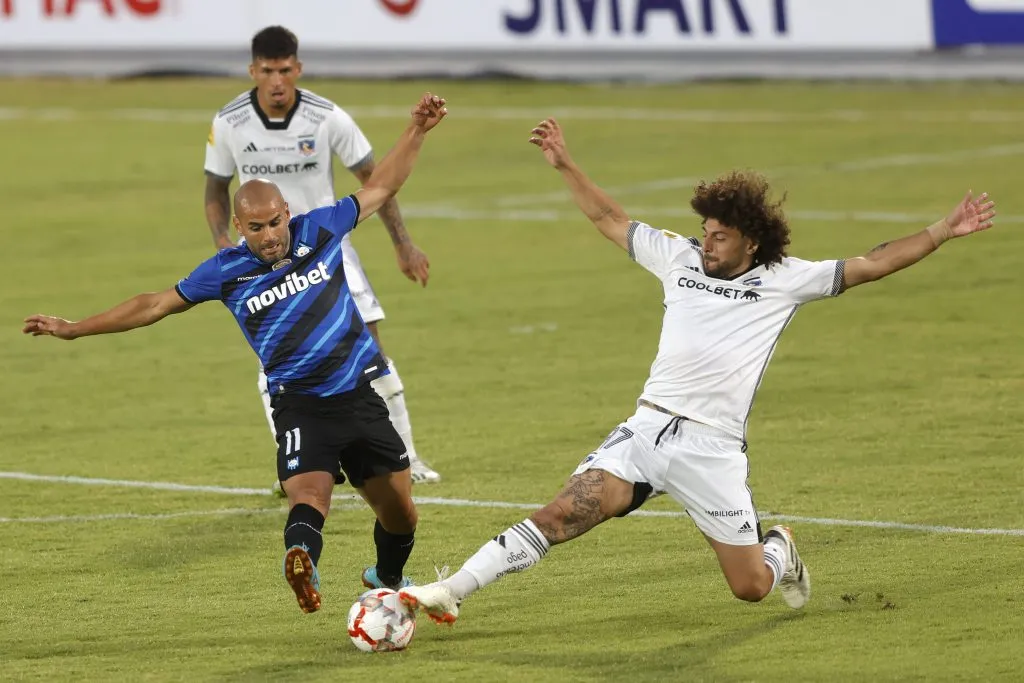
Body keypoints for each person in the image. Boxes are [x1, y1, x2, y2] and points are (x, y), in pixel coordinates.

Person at [398, 117, 997, 625]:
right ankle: (449, 591)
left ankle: (779, 548)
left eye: (719, 236)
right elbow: (608, 218)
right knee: (561, 513)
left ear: (752, 243)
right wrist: (563, 163)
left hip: (712, 450)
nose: (706, 243)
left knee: (750, 589)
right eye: (705, 233)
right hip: (646, 431)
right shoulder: (677, 258)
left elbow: (872, 263)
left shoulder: (785, 281)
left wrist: (944, 230)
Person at [25, 93, 449, 614]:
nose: (269, 236)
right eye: (256, 227)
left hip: (357, 396)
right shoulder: (225, 271)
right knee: (308, 498)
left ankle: (384, 575)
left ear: (285, 213)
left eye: (274, 223)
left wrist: (417, 130)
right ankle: (302, 558)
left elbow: (382, 185)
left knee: (402, 514)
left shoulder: (321, 228)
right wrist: (76, 328)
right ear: (238, 225)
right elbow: (154, 304)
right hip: (300, 404)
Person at [204, 25, 441, 486]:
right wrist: (221, 242)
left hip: (327, 251)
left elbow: (377, 181)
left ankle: (408, 458)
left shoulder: (327, 117)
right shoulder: (229, 122)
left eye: (285, 70)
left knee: (371, 352)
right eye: (268, 71)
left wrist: (403, 243)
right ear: (253, 71)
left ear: (299, 68)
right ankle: (296, 464)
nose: (277, 81)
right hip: (265, 261)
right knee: (276, 363)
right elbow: (215, 189)